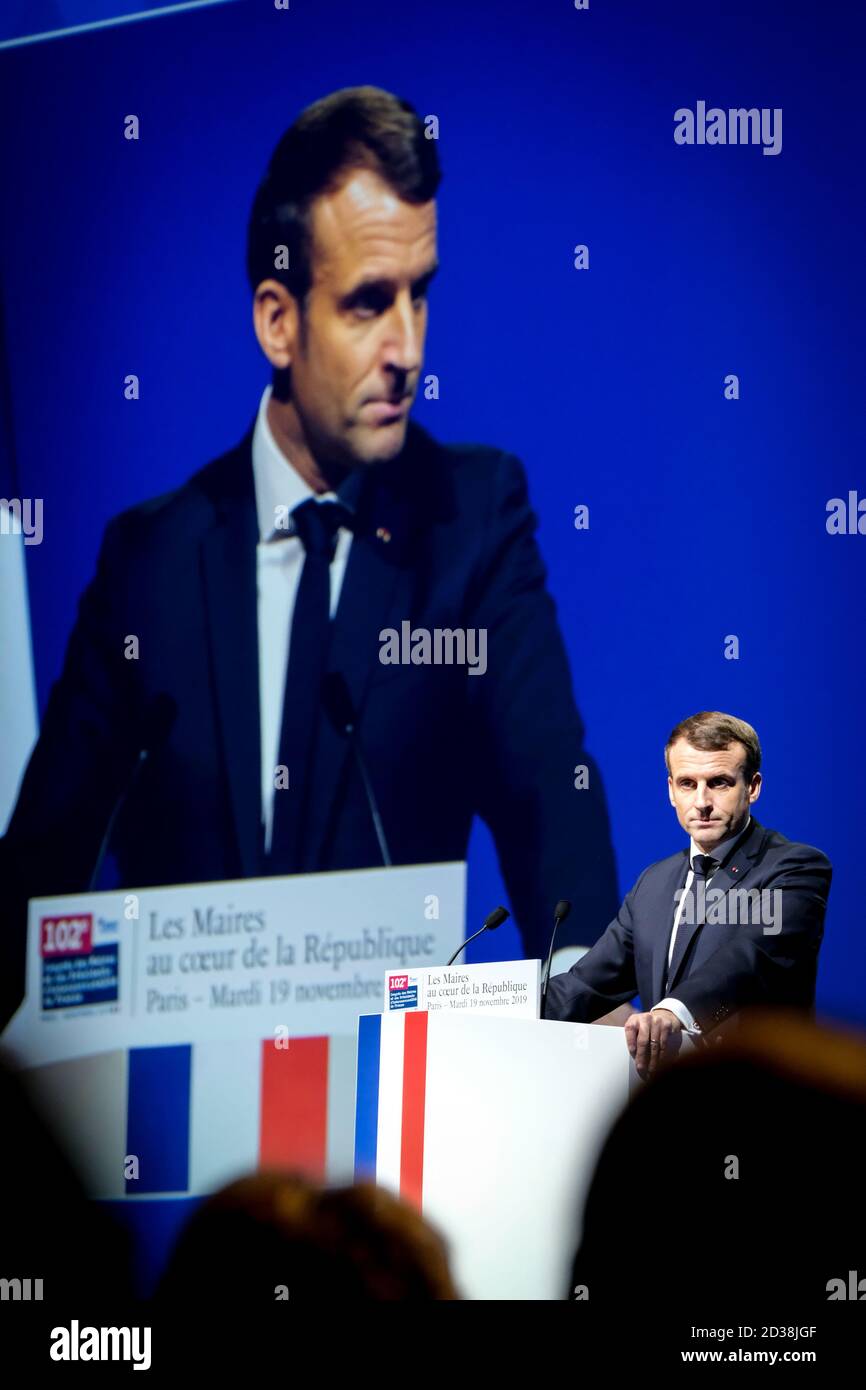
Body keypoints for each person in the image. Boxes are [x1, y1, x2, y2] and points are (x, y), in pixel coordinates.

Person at [0, 86, 617, 1027]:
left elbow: (548, 788)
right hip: (180, 1126)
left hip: (390, 1125)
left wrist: (590, 998)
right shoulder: (148, 562)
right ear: (278, 321)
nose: (406, 347)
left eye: (421, 294)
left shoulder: (472, 519)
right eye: (369, 303)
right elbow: (39, 869)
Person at [545, 711, 832, 1080]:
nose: (701, 801)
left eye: (719, 783)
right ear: (670, 790)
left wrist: (673, 1013)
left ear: (753, 786)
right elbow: (585, 984)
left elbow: (749, 958)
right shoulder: (654, 882)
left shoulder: (795, 869)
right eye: (687, 783)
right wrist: (497, 1007)